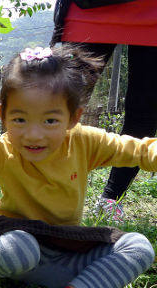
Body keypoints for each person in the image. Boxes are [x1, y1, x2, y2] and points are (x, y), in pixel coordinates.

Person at [0, 45, 155, 288]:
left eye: (50, 120)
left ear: (73, 118)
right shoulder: (2, 150)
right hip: (12, 248)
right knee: (20, 248)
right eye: (20, 119)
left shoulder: (84, 141)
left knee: (138, 246)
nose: (33, 134)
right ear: (3, 115)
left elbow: (137, 150)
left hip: (66, 251)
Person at [50, 0, 157, 222]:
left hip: (152, 12)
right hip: (89, 8)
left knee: (144, 112)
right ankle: (43, 190)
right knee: (60, 103)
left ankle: (111, 199)